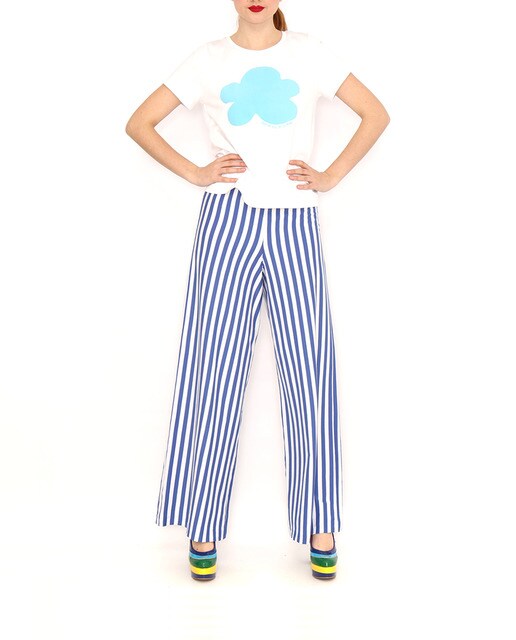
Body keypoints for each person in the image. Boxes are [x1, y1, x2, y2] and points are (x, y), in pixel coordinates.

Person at [125, 0, 390, 581]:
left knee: (309, 370)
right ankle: (202, 521)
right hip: (227, 221)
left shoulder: (309, 52)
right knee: (213, 370)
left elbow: (375, 114)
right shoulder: (207, 59)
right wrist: (197, 172)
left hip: (295, 220)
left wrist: (330, 175)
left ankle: (321, 522)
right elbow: (139, 123)